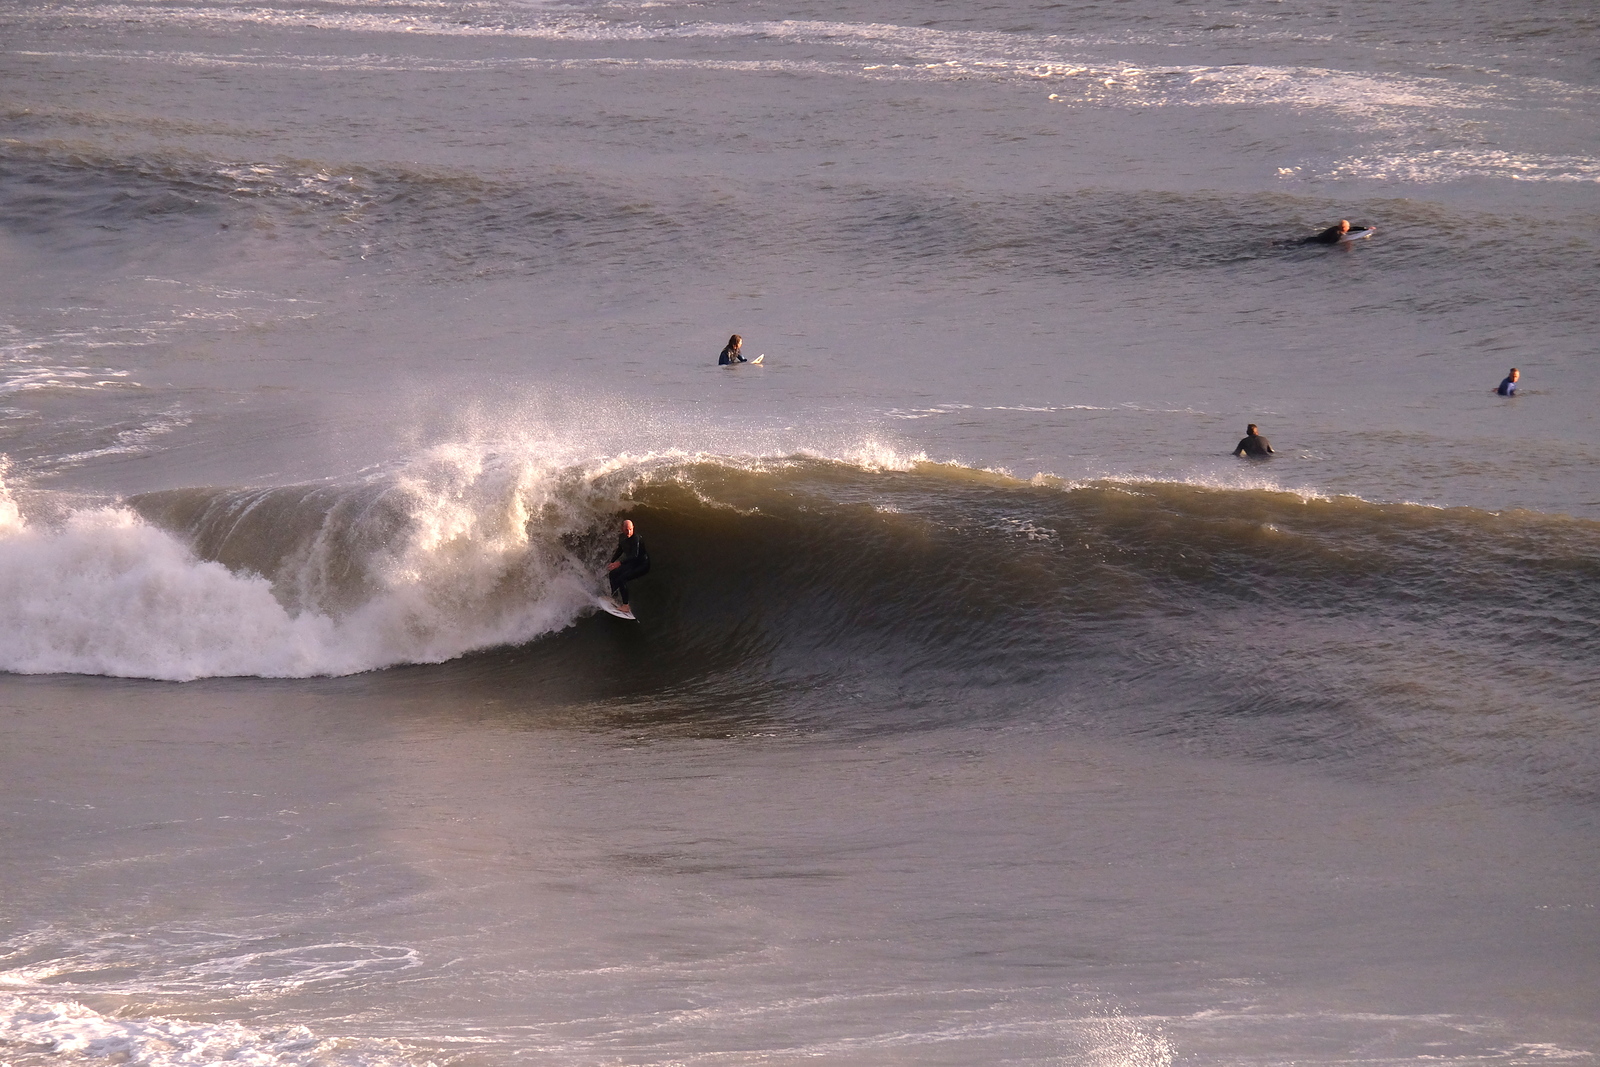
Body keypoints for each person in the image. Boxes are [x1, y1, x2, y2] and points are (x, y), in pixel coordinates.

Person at [606, 518, 650, 612]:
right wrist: (612, 561)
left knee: (622, 579)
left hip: (642, 565)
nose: (629, 532)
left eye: (630, 529)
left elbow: (635, 555)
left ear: (633, 528)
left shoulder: (636, 539)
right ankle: (614, 596)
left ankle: (625, 605)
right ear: (622, 528)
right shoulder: (622, 537)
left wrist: (619, 563)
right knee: (612, 574)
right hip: (632, 563)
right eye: (626, 529)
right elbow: (620, 549)